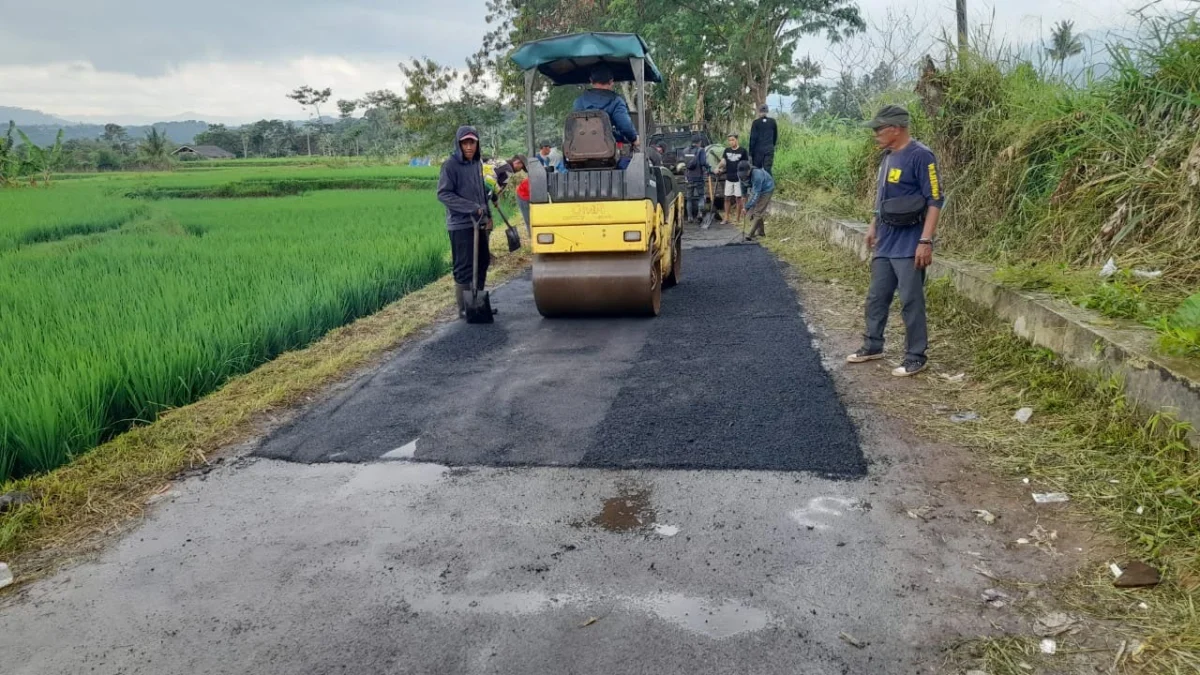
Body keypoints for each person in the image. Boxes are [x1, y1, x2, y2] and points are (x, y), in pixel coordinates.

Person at [847, 104, 944, 377]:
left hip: (910, 243)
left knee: (911, 301)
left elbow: (935, 199)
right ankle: (873, 345)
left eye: (879, 129)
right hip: (885, 242)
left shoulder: (922, 156)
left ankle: (916, 356)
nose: (875, 134)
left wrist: (925, 240)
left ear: (895, 128)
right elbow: (883, 199)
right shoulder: (887, 157)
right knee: (877, 297)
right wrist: (873, 225)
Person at [436, 126, 493, 319]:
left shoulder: (477, 164)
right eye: (465, 143)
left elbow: (482, 192)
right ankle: (463, 308)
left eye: (472, 143)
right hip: (460, 224)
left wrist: (488, 215)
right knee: (464, 266)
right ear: (459, 144)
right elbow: (443, 194)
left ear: (477, 144)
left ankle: (477, 303)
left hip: (479, 222)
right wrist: (471, 207)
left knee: (483, 261)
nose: (469, 147)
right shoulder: (450, 166)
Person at [572, 65, 639, 147]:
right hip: (607, 151)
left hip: (581, 150)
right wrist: (634, 139)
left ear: (591, 80)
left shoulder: (579, 101)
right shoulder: (616, 101)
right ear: (611, 81)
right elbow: (625, 127)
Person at [738, 160, 775, 240]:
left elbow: (756, 194)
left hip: (766, 189)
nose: (743, 176)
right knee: (752, 211)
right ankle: (761, 233)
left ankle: (750, 234)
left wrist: (747, 207)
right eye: (742, 175)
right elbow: (742, 186)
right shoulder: (740, 174)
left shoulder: (757, 175)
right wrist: (743, 197)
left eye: (745, 174)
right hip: (755, 189)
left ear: (749, 170)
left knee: (757, 211)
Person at [717, 134, 749, 224]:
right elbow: (723, 161)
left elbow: (745, 164)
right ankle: (726, 217)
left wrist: (745, 176)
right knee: (727, 198)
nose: (731, 142)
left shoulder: (743, 151)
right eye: (730, 140)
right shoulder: (727, 150)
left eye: (733, 140)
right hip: (729, 178)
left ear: (737, 140)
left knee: (738, 199)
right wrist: (718, 167)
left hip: (739, 179)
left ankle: (737, 218)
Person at [684, 135, 708, 224]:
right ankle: (700, 214)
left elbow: (683, 164)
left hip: (689, 177)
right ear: (699, 142)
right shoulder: (701, 150)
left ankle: (690, 217)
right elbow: (703, 162)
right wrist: (708, 167)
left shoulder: (685, 150)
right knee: (701, 196)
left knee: (689, 199)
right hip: (699, 177)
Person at [749, 104, 778, 175]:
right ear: (767, 111)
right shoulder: (772, 122)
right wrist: (772, 145)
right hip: (769, 148)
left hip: (758, 150)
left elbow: (753, 138)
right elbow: (775, 136)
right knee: (767, 168)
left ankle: (758, 184)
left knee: (756, 169)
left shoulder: (756, 123)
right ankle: (769, 185)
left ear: (759, 112)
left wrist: (750, 152)